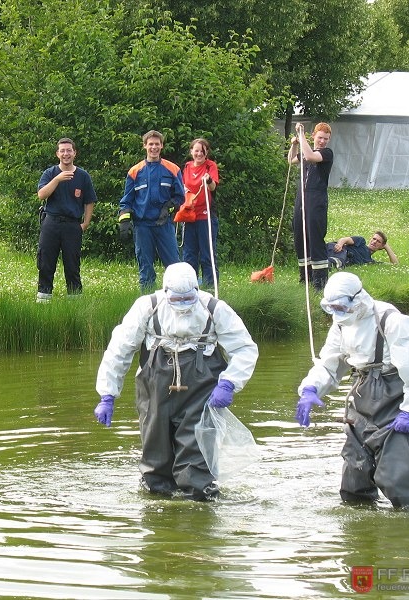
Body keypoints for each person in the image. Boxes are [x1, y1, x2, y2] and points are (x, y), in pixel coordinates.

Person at [94, 262, 259, 501]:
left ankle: (199, 510)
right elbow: (119, 350)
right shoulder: (147, 307)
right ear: (164, 291)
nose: (183, 304)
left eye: (188, 298)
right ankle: (159, 511)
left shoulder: (214, 308)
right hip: (154, 390)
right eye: (176, 299)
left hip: (202, 391)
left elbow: (244, 348)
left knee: (197, 457)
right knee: (155, 460)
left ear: (197, 288)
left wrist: (228, 383)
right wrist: (107, 395)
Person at [295, 272, 409, 509]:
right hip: (361, 395)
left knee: (396, 473)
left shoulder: (392, 321)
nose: (337, 312)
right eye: (331, 308)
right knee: (354, 476)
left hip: (395, 399)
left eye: (341, 306)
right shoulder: (341, 324)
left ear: (357, 298)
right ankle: (360, 537)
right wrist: (311, 388)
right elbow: (330, 364)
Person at [119, 130, 185, 290]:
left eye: (157, 144)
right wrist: (124, 220)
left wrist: (167, 208)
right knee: (145, 267)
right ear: (145, 146)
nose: (154, 147)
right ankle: (148, 304)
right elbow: (127, 199)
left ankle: (178, 297)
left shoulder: (173, 169)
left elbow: (180, 197)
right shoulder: (134, 171)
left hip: (164, 225)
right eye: (151, 144)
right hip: (142, 226)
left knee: (174, 266)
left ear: (161, 146)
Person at [35, 138, 97, 302]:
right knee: (45, 262)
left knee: (72, 264)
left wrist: (85, 223)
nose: (66, 154)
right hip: (51, 222)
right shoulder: (50, 173)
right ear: (57, 154)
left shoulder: (83, 176)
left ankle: (74, 299)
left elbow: (90, 201)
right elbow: (41, 195)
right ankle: (43, 298)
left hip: (72, 224)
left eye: (69, 150)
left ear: (74, 153)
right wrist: (57, 180)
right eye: (62, 151)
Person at [289, 122, 333, 291]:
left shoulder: (326, 153)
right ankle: (305, 278)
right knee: (300, 237)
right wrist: (294, 145)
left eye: (326, 139)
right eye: (320, 137)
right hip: (301, 200)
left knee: (315, 239)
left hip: (317, 202)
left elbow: (310, 156)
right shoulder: (307, 151)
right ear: (314, 136)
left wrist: (301, 135)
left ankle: (319, 282)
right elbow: (290, 160)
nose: (322, 141)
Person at [181, 138, 220, 287]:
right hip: (189, 216)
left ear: (207, 153)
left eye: (202, 151)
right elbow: (183, 187)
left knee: (207, 254)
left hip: (206, 216)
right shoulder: (187, 167)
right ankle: (191, 286)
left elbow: (213, 188)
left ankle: (210, 287)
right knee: (189, 255)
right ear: (191, 152)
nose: (199, 154)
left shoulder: (210, 166)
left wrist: (208, 179)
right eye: (196, 150)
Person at [327, 231, 399, 268]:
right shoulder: (361, 241)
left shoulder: (370, 262)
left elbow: (395, 264)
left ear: (381, 246)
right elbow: (345, 239)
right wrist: (339, 244)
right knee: (339, 261)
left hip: (342, 260)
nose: (374, 242)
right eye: (374, 239)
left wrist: (387, 247)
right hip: (337, 251)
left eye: (378, 241)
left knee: (339, 263)